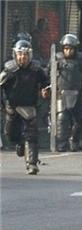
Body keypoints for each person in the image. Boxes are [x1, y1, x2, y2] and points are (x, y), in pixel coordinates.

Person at [0, 40, 50, 174]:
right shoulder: (9, 70)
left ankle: (32, 164)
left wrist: (46, 90)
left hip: (29, 106)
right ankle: (20, 143)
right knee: (10, 134)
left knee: (31, 135)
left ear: (30, 55)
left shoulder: (36, 70)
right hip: (13, 107)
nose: (23, 57)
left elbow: (46, 82)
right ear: (15, 55)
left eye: (26, 55)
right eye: (20, 54)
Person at [54, 33, 82, 152]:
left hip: (78, 93)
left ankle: (74, 140)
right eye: (66, 48)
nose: (68, 51)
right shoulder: (57, 60)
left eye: (71, 48)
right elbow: (49, 74)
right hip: (62, 93)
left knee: (79, 119)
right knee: (62, 118)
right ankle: (61, 143)